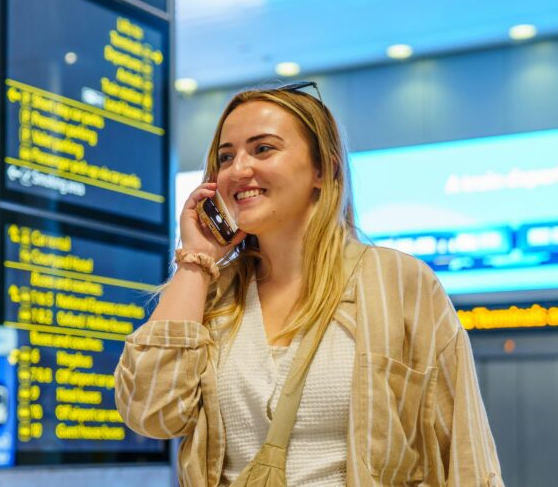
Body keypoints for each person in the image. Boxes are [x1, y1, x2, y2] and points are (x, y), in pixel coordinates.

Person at [114, 83, 503, 486]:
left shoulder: (400, 283)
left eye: (263, 149)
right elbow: (150, 413)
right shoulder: (210, 294)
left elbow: (464, 453)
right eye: (226, 157)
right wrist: (196, 261)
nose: (238, 169)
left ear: (324, 170)